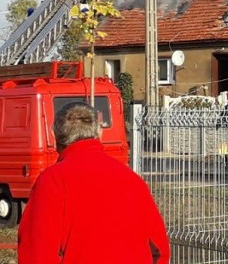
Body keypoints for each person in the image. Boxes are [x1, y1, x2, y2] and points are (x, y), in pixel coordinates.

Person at [18, 102, 170, 264]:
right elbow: (159, 247)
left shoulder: (52, 181)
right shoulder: (131, 179)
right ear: (99, 133)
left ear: (55, 136)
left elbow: (36, 252)